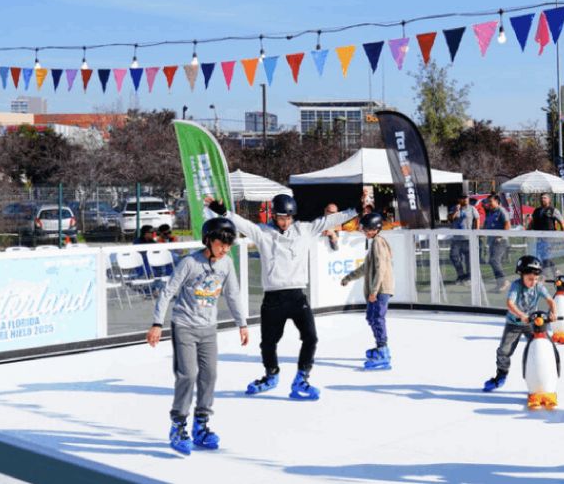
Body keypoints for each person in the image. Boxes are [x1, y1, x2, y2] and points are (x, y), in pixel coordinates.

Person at [206, 194, 356, 401]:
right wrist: (222, 212)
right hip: (273, 298)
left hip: (296, 296)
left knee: (311, 337)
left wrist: (355, 209)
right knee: (268, 343)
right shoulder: (263, 233)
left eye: (288, 217)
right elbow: (243, 224)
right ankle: (271, 375)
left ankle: (302, 378)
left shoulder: (304, 230)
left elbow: (329, 220)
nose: (285, 222)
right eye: (280, 217)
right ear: (274, 216)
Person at [147, 217, 249, 455]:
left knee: (210, 375)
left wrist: (241, 324)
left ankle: (201, 424)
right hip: (184, 325)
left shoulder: (226, 264)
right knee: (188, 374)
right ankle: (178, 424)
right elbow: (168, 291)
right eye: (221, 243)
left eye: (228, 244)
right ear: (208, 240)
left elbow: (232, 294)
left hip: (208, 329)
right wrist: (156, 323)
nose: (225, 248)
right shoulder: (190, 263)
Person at [481, 255, 556, 392]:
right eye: (529, 279)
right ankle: (501, 375)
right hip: (513, 324)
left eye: (535, 279)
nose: (533, 282)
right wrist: (521, 315)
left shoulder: (538, 286)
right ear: (522, 275)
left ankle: (545, 377)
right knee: (504, 351)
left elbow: (551, 301)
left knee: (545, 347)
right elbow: (510, 303)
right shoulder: (516, 286)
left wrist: (553, 312)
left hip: (532, 324)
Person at [340, 213, 394, 369]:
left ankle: (383, 351)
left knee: (377, 318)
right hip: (377, 289)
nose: (363, 231)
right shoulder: (375, 242)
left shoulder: (378, 242)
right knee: (371, 317)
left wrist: (374, 291)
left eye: (365, 229)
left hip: (380, 289)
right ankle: (381, 346)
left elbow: (381, 268)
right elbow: (366, 268)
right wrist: (348, 277)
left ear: (374, 228)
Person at [528, 193, 564, 278]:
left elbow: (562, 222)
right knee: (542, 255)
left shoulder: (553, 210)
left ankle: (543, 275)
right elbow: (532, 222)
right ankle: (556, 271)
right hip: (538, 237)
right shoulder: (536, 211)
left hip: (549, 237)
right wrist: (527, 231)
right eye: (541, 198)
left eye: (544, 198)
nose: (542, 199)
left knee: (546, 255)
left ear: (549, 200)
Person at [448, 194, 480, 284]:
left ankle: (469, 277)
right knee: (453, 256)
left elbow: (477, 219)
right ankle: (461, 275)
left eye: (467, 198)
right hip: (456, 238)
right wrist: (456, 210)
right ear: (459, 199)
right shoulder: (454, 208)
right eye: (463, 198)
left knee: (468, 258)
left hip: (468, 238)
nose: (466, 200)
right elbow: (450, 219)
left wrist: (476, 232)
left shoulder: (472, 208)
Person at [483, 194, 512, 292]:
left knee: (494, 260)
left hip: (501, 241)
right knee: (493, 261)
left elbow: (507, 224)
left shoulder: (501, 211)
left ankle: (504, 281)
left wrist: (500, 236)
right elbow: (487, 225)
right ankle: (499, 284)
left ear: (497, 202)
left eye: (490, 201)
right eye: (488, 201)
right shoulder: (490, 212)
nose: (488, 203)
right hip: (492, 241)